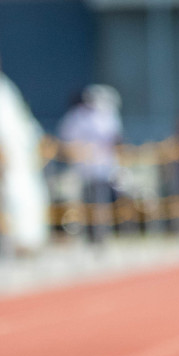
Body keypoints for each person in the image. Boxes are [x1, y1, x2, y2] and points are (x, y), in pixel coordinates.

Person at [57, 85, 122, 244]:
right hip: (83, 169)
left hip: (104, 168)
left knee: (103, 203)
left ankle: (102, 235)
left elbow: (115, 139)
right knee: (85, 203)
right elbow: (66, 141)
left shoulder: (107, 115)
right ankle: (88, 235)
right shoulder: (77, 117)